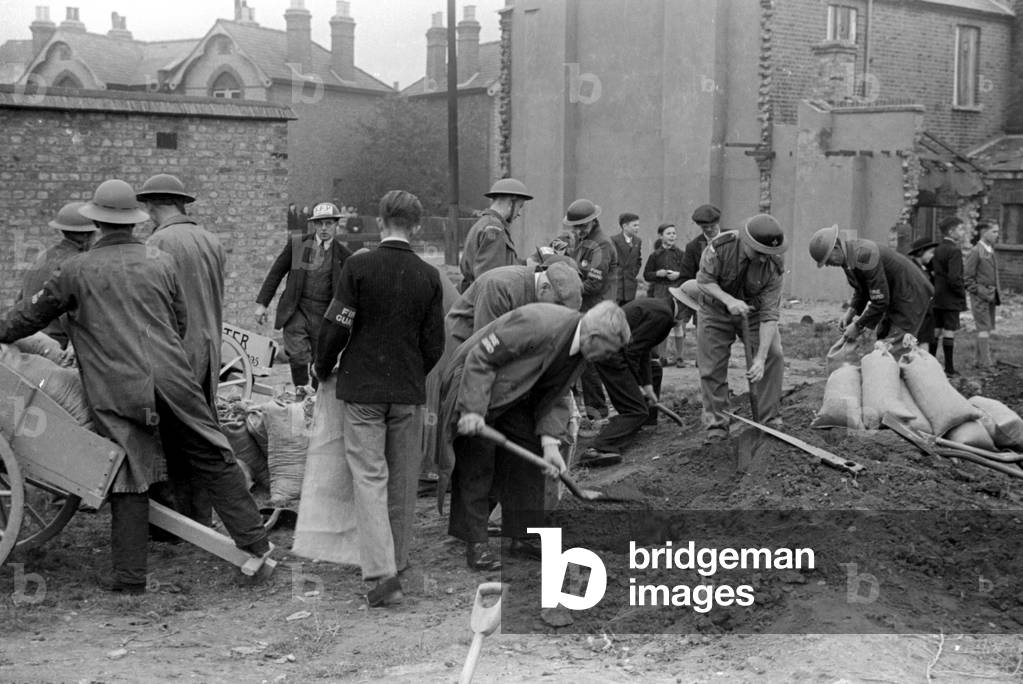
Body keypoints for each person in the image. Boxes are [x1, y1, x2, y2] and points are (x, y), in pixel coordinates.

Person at [0, 179, 270, 594]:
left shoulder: (76, 270)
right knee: (211, 454)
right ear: (132, 221)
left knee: (129, 473)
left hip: (118, 388)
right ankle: (256, 542)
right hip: (174, 379)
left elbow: (27, 320)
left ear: (98, 223)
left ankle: (130, 580)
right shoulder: (159, 261)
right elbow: (180, 321)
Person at [314, 190, 445, 607]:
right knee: (404, 479)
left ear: (379, 220)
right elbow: (434, 345)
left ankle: (381, 572)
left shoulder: (358, 267)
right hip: (407, 393)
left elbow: (336, 324)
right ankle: (400, 559)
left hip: (363, 392)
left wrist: (322, 365)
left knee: (370, 478)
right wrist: (411, 375)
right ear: (417, 226)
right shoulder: (429, 276)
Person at [444, 301, 630, 570]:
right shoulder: (537, 323)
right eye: (609, 350)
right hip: (481, 389)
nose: (608, 357)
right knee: (477, 466)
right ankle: (476, 543)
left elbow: (555, 394)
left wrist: (550, 443)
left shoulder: (581, 352)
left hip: (518, 397)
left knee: (529, 463)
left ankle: (523, 537)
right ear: (595, 337)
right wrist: (473, 410)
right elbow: (481, 355)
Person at [137, 173, 226, 526]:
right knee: (204, 434)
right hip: (210, 351)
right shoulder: (211, 240)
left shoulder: (158, 243)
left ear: (152, 205)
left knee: (172, 440)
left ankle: (178, 523)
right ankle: (202, 516)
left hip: (175, 355)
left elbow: (155, 306)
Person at [698, 215, 788, 444]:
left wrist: (760, 357)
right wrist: (729, 300)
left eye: (766, 253)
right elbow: (704, 281)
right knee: (711, 367)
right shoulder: (721, 247)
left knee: (774, 355)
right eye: (757, 252)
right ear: (746, 241)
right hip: (716, 310)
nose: (762, 258)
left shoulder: (774, 265)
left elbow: (769, 315)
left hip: (754, 312)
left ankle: (769, 420)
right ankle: (716, 426)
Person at [581, 284, 691, 465]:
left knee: (655, 369)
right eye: (691, 313)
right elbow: (632, 352)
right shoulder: (663, 316)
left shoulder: (660, 307)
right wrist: (636, 385)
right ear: (685, 309)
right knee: (636, 410)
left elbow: (643, 349)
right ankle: (599, 448)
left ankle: (646, 421)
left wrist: (647, 386)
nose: (689, 318)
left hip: (615, 349)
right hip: (609, 352)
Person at [255, 202, 352, 396]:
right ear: (314, 225)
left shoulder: (344, 255)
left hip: (324, 315)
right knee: (298, 355)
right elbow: (276, 273)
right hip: (296, 309)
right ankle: (301, 392)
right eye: (320, 224)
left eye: (328, 224)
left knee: (320, 361)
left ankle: (314, 402)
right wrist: (261, 305)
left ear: (336, 225)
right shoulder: (298, 245)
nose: (324, 229)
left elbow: (350, 291)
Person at [809, 224, 934, 354]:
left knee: (896, 345)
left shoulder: (865, 254)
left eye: (827, 259)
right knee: (883, 337)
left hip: (911, 294)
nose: (828, 265)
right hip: (897, 294)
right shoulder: (848, 257)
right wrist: (851, 313)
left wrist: (858, 326)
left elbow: (880, 301)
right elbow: (861, 290)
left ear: (836, 248)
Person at [564, 198, 619, 422]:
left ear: (593, 221)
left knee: (591, 362)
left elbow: (594, 283)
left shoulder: (601, 244)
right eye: (575, 226)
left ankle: (598, 413)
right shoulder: (584, 241)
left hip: (596, 309)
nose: (578, 230)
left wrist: (566, 290)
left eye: (581, 226)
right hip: (584, 307)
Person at [446, 258, 584, 346]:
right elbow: (485, 344)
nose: (558, 314)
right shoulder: (500, 286)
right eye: (558, 305)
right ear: (544, 288)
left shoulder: (540, 294)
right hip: (458, 353)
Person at [17, 201, 96, 349]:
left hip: (28, 344)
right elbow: (77, 321)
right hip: (57, 351)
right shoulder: (76, 266)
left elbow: (20, 303)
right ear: (87, 236)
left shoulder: (43, 257)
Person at [458, 178, 533, 292]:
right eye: (520, 206)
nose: (519, 213)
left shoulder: (486, 222)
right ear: (511, 202)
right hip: (486, 298)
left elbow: (502, 264)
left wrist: (530, 262)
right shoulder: (494, 228)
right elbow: (491, 278)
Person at [675, 204, 722, 367]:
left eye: (712, 226)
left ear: (719, 223)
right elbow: (685, 277)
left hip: (731, 298)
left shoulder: (734, 239)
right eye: (704, 227)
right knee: (704, 332)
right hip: (706, 300)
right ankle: (703, 360)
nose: (709, 230)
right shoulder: (693, 247)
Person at [643, 222, 685, 366]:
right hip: (660, 292)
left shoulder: (681, 254)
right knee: (662, 324)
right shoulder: (655, 255)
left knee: (678, 324)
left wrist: (678, 274)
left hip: (677, 292)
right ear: (661, 236)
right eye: (668, 233)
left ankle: (680, 357)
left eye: (674, 233)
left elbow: (687, 272)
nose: (672, 236)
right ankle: (662, 357)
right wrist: (657, 273)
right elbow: (647, 275)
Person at [932, 216, 968, 375]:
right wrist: (961, 292)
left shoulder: (938, 248)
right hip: (951, 297)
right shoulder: (954, 250)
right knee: (949, 331)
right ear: (951, 231)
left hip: (937, 295)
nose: (963, 232)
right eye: (960, 229)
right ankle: (949, 368)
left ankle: (930, 364)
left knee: (936, 330)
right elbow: (954, 278)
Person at [965, 220, 1002, 367]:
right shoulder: (976, 251)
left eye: (997, 232)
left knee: (985, 328)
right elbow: (967, 278)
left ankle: (978, 361)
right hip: (981, 296)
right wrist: (979, 292)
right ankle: (986, 364)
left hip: (991, 295)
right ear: (984, 232)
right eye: (994, 231)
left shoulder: (989, 249)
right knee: (984, 328)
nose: (997, 235)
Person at [906, 236, 939, 355]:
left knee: (925, 342)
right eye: (930, 252)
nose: (932, 256)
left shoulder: (925, 268)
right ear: (920, 252)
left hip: (925, 313)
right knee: (918, 345)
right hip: (917, 314)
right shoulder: (913, 269)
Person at [611, 212, 642, 305]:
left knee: (629, 311)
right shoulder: (614, 240)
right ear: (625, 226)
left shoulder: (638, 241)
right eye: (634, 225)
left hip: (630, 284)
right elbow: (611, 261)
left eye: (638, 225)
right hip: (617, 284)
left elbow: (638, 260)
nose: (637, 228)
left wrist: (633, 273)